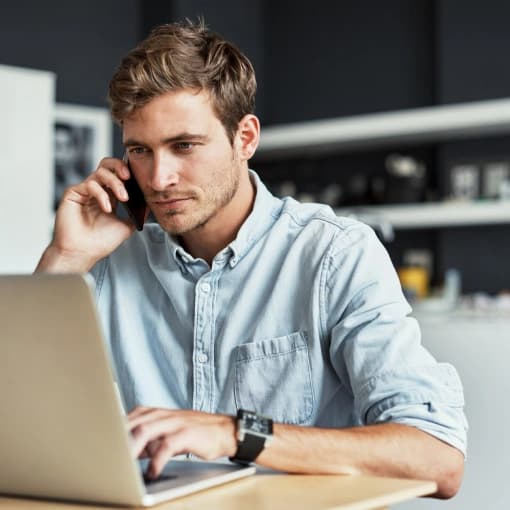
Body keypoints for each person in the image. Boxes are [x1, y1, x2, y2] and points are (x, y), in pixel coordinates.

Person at [36, 20, 467, 498]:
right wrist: (65, 257)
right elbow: (18, 411)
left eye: (184, 146)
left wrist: (235, 433)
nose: (159, 178)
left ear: (245, 138)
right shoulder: (108, 264)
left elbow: (437, 457)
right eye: (140, 150)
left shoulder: (334, 254)